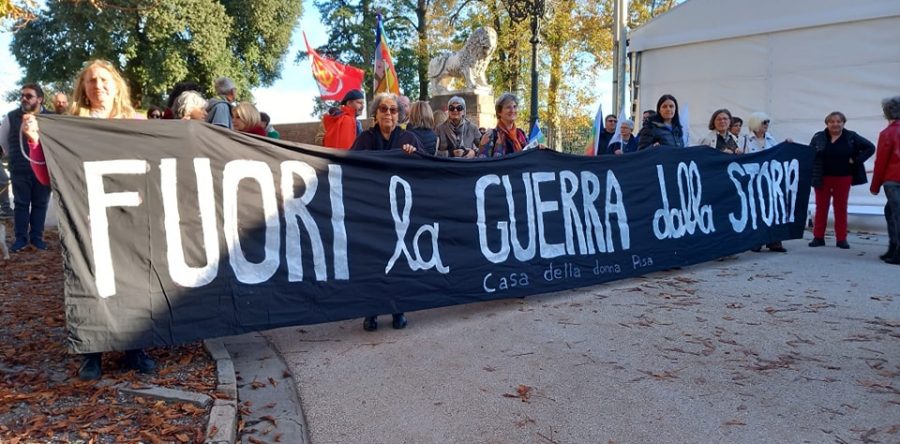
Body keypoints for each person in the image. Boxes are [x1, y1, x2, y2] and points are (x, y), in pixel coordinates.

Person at [21, 60, 155, 381]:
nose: (98, 86)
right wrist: (36, 141)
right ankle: (91, 352)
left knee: (133, 280)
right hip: (88, 217)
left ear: (116, 85)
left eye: (104, 80)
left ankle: (135, 348)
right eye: (91, 81)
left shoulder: (136, 122)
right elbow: (44, 177)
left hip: (129, 217)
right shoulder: (69, 127)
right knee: (88, 281)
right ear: (84, 88)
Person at [350, 92, 422, 331]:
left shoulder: (409, 137)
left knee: (398, 262)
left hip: (400, 211)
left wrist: (415, 155)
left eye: (393, 110)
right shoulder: (365, 139)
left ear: (399, 114)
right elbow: (350, 166)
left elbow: (427, 169)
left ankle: (397, 308)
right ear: (375, 113)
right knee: (373, 261)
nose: (389, 114)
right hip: (372, 211)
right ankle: (371, 311)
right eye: (384, 109)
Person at [808, 111, 876, 249]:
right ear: (827, 123)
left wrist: (857, 160)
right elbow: (809, 153)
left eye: (839, 121)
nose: (835, 124)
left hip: (843, 177)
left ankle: (841, 239)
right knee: (821, 207)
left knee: (840, 207)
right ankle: (818, 237)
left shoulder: (851, 136)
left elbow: (870, 147)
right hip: (822, 177)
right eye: (832, 121)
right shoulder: (818, 137)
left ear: (843, 123)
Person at [0, 84, 52, 251]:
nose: (24, 98)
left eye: (29, 96)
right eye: (22, 95)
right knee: (21, 204)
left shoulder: (52, 118)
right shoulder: (11, 116)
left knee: (40, 204)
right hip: (20, 168)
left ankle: (37, 238)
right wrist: (15, 157)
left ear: (40, 99)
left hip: (43, 169)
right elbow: (3, 142)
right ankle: (20, 239)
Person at [869, 96, 900, 264]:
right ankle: (893, 248)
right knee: (891, 212)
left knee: (895, 214)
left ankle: (896, 250)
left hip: (894, 179)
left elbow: (881, 161)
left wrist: (875, 186)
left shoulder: (888, 133)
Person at [479, 93, 528, 158]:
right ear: (499, 112)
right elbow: (482, 162)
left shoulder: (521, 134)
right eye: (508, 107)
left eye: (514, 107)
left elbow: (530, 155)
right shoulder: (490, 135)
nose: (512, 110)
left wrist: (539, 149)